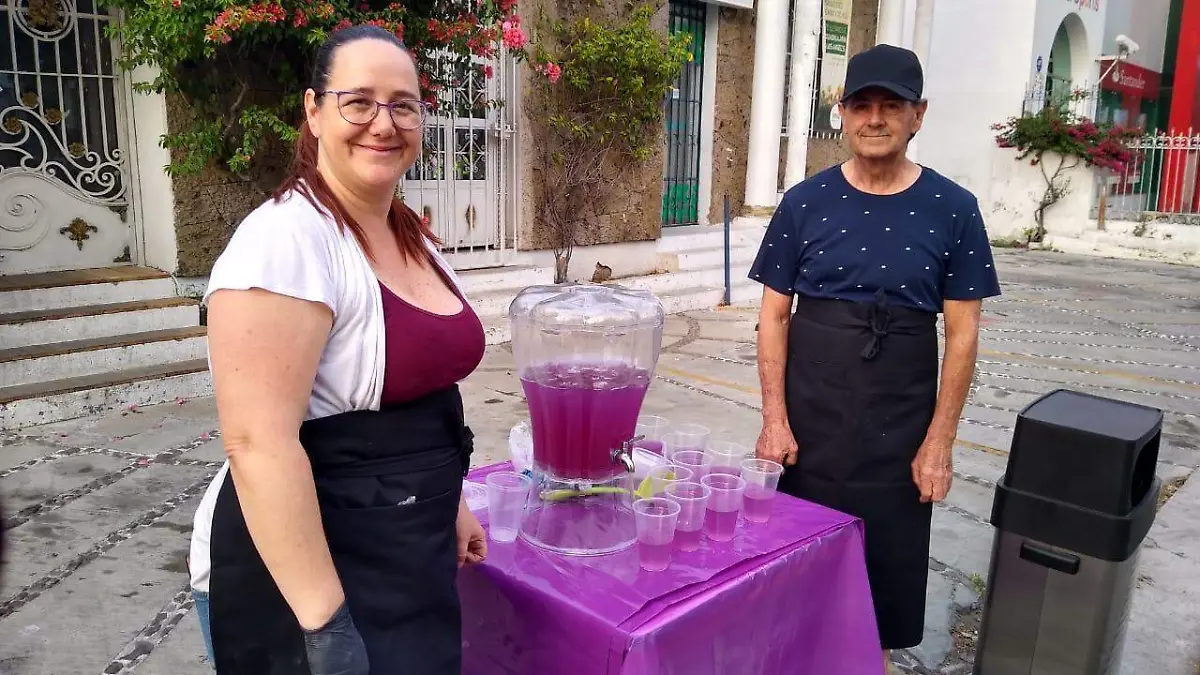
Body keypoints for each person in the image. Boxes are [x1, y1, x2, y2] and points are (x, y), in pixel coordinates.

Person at [187, 25, 488, 675]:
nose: (383, 123)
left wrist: (453, 503)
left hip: (403, 544)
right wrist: (325, 626)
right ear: (314, 111)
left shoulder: (409, 233)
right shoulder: (283, 242)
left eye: (403, 104)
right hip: (309, 573)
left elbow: (426, 393)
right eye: (358, 101)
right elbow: (258, 444)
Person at [749, 44, 1000, 673]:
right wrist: (773, 420)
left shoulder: (954, 209)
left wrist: (939, 443)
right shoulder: (804, 203)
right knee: (798, 572)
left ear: (918, 115)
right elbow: (774, 317)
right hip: (810, 427)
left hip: (900, 434)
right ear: (843, 113)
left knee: (879, 589)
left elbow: (963, 334)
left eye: (892, 105)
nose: (876, 118)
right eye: (862, 105)